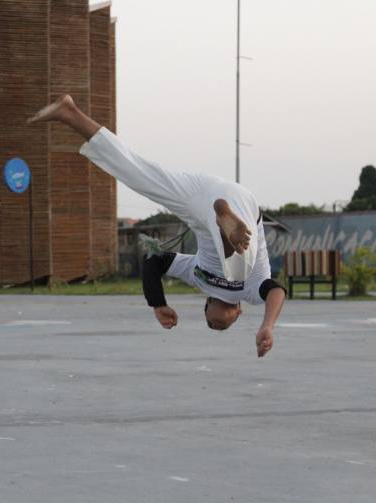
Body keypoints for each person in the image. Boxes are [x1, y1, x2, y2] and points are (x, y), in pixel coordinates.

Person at [28, 95, 286, 357]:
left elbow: (154, 261)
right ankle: (227, 229)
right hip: (240, 207)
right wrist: (267, 325)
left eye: (210, 324)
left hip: (202, 199)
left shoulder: (197, 276)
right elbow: (276, 290)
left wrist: (158, 303)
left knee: (138, 174)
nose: (215, 325)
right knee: (240, 267)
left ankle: (69, 113)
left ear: (207, 303)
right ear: (238, 312)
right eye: (220, 326)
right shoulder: (251, 293)